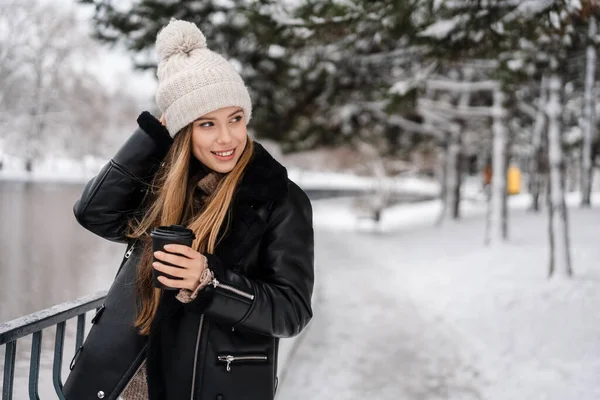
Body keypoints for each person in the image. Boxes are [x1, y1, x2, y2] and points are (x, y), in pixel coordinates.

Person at [63, 19, 314, 400]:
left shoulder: (279, 199)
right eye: (206, 124)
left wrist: (210, 281)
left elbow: (291, 310)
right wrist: (152, 138)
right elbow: (95, 214)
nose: (227, 137)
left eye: (235, 118)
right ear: (184, 132)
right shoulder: (166, 186)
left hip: (209, 386)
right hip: (120, 382)